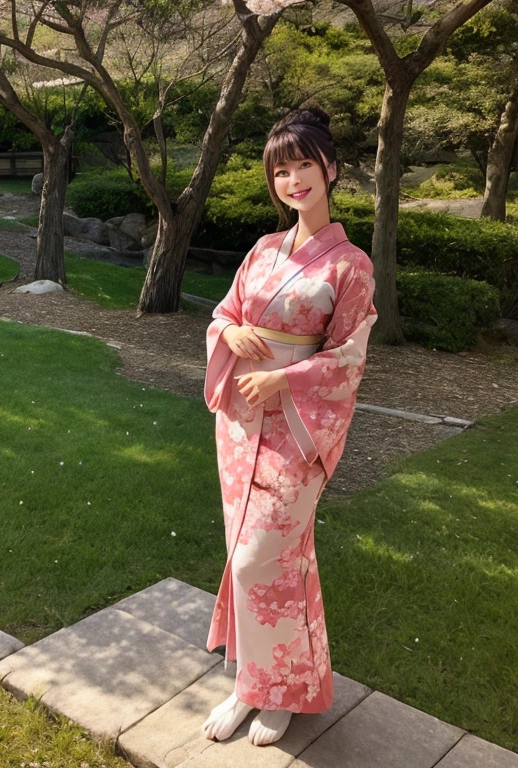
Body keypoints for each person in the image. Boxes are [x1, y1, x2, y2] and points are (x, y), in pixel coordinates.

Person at [199, 108, 377, 747]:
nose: (294, 179)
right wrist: (232, 330)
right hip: (242, 423)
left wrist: (285, 378)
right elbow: (223, 311)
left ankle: (281, 693)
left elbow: (349, 358)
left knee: (261, 558)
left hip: (297, 430)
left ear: (330, 168)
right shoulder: (264, 249)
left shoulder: (350, 265)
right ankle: (255, 680)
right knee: (249, 555)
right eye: (282, 169)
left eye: (305, 164)